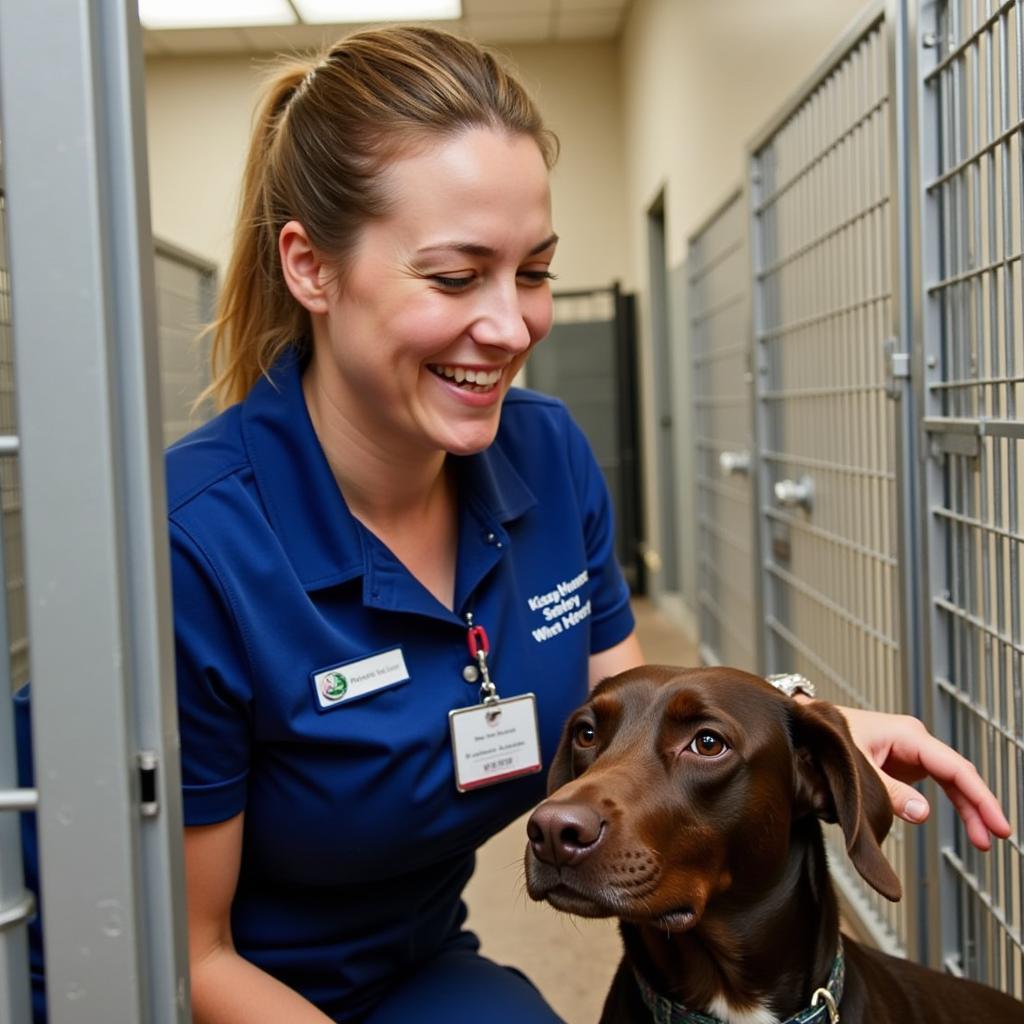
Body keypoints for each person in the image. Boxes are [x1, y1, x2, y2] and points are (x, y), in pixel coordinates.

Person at [15, 23, 1012, 1024]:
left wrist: (800, 727)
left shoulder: (542, 451)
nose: (510, 327)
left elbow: (624, 702)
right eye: (455, 278)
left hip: (407, 957)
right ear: (310, 268)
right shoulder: (191, 546)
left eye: (532, 272)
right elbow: (191, 955)